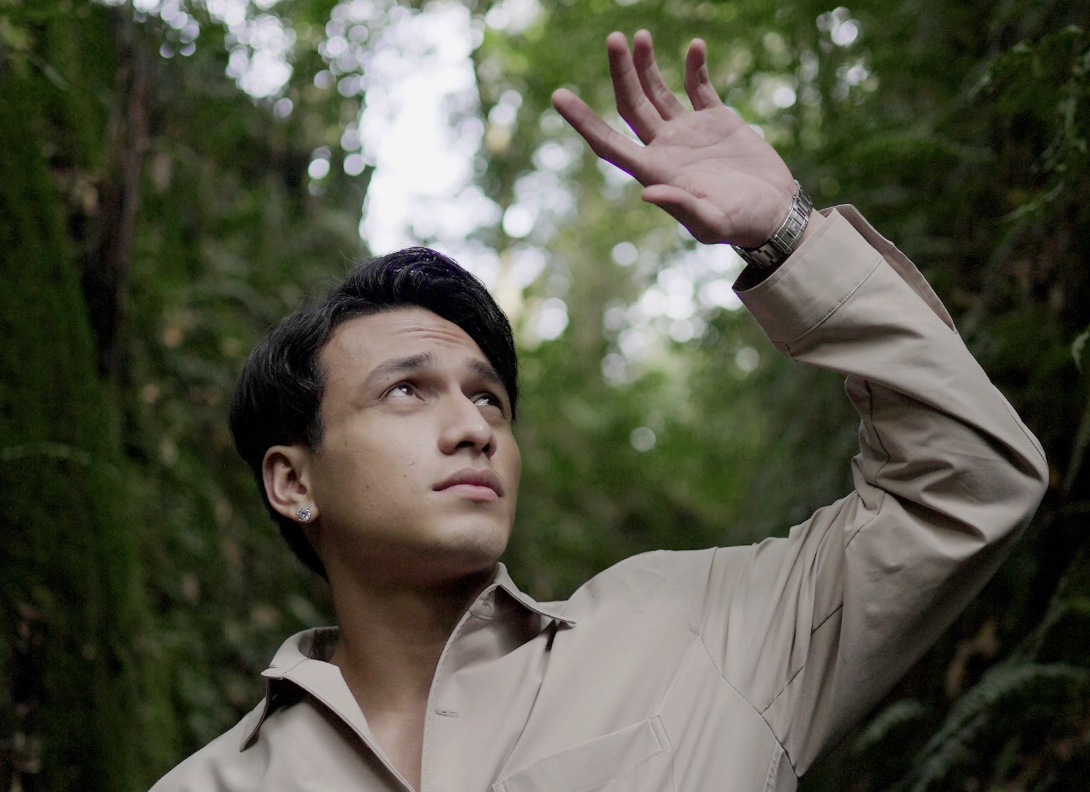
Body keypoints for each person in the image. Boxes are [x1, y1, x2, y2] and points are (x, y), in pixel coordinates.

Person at [150, 30, 1048, 792]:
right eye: (406, 390)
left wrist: (787, 233)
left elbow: (964, 485)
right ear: (292, 480)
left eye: (489, 399)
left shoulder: (696, 633)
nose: (474, 427)